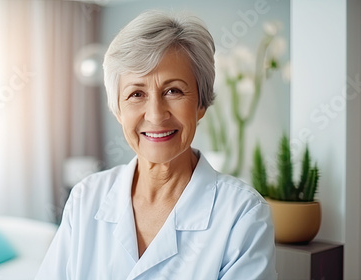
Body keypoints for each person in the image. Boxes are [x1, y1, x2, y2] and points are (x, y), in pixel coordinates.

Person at [36, 10, 277, 280]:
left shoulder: (243, 214)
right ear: (118, 110)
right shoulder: (85, 198)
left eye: (173, 91)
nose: (155, 114)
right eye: (136, 94)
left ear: (200, 104)